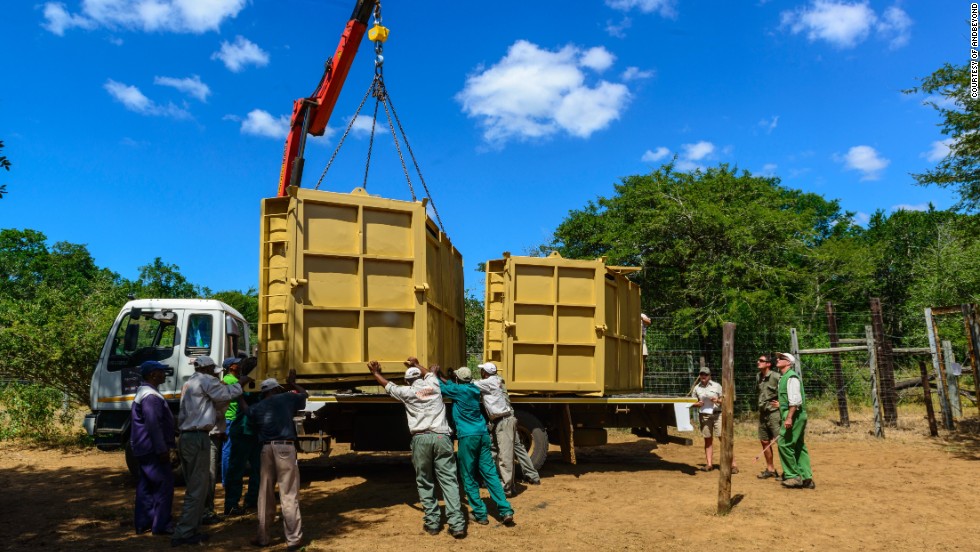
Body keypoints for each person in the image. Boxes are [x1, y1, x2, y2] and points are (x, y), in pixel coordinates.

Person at [368, 358, 467, 539]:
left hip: (420, 439)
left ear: (407, 381)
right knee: (449, 481)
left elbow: (388, 385)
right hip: (441, 437)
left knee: (425, 481)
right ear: (421, 376)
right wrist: (415, 364)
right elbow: (428, 372)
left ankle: (433, 523)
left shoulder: (406, 392)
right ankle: (457, 524)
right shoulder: (433, 384)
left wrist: (375, 373)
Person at [171, 356, 249, 547]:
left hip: (187, 437)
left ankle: (192, 527)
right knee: (198, 488)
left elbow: (214, 404)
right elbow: (225, 395)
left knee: (195, 486)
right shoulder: (205, 380)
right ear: (207, 368)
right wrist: (242, 382)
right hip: (197, 437)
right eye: (213, 369)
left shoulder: (190, 383)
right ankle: (184, 532)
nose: (215, 373)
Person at [432, 365, 514, 527]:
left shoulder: (457, 391)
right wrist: (443, 376)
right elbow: (450, 384)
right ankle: (506, 510)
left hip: (467, 437)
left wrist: (433, 373)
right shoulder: (475, 389)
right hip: (482, 434)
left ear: (458, 379)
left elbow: (440, 387)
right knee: (490, 474)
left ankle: (480, 514)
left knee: (468, 476)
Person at [248, 371, 308, 550]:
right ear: (277, 389)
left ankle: (263, 537)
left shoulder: (258, 406)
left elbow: (247, 412)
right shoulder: (287, 398)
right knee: (288, 493)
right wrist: (293, 384)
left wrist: (239, 397)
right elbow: (305, 394)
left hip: (266, 448)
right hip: (285, 448)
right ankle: (293, 539)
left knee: (264, 493)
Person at [473, 361, 541, 496]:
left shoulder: (487, 383)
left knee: (505, 456)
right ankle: (533, 476)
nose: (480, 372)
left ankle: (507, 488)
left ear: (485, 373)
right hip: (508, 418)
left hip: (503, 421)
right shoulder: (498, 379)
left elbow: (469, 384)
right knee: (517, 448)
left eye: (482, 371)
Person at [131, 360, 176, 536]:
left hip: (143, 447)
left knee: (146, 485)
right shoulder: (150, 396)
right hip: (152, 448)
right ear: (152, 374)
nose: (164, 374)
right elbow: (153, 424)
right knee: (164, 485)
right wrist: (162, 449)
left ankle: (144, 522)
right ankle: (161, 525)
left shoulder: (144, 392)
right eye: (161, 371)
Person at [223, 358, 261, 516]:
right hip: (251, 431)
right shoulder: (251, 385)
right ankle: (249, 500)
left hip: (243, 431)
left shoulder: (240, 385)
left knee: (237, 469)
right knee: (257, 469)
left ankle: (233, 504)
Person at [775, 352, 814, 489]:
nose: (778, 359)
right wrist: (781, 405)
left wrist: (789, 417)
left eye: (782, 358)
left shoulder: (791, 377)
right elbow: (791, 398)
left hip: (794, 414)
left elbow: (796, 400)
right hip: (794, 413)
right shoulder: (785, 377)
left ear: (789, 363)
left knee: (784, 443)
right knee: (798, 445)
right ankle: (806, 477)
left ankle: (793, 476)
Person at [691, 366, 738, 473]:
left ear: (709, 376)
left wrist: (717, 400)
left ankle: (733, 465)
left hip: (718, 414)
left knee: (723, 438)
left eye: (705, 375)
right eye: (701, 374)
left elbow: (726, 400)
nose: (703, 376)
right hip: (704, 415)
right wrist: (697, 404)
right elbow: (692, 402)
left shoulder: (717, 386)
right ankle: (709, 464)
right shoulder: (696, 388)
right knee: (707, 439)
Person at [756, 354, 782, 479]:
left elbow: (787, 391)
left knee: (781, 441)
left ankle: (788, 472)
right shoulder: (758, 377)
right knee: (764, 441)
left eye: (761, 361)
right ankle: (770, 469)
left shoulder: (777, 377)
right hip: (763, 413)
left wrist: (782, 404)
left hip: (774, 414)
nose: (758, 362)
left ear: (768, 364)